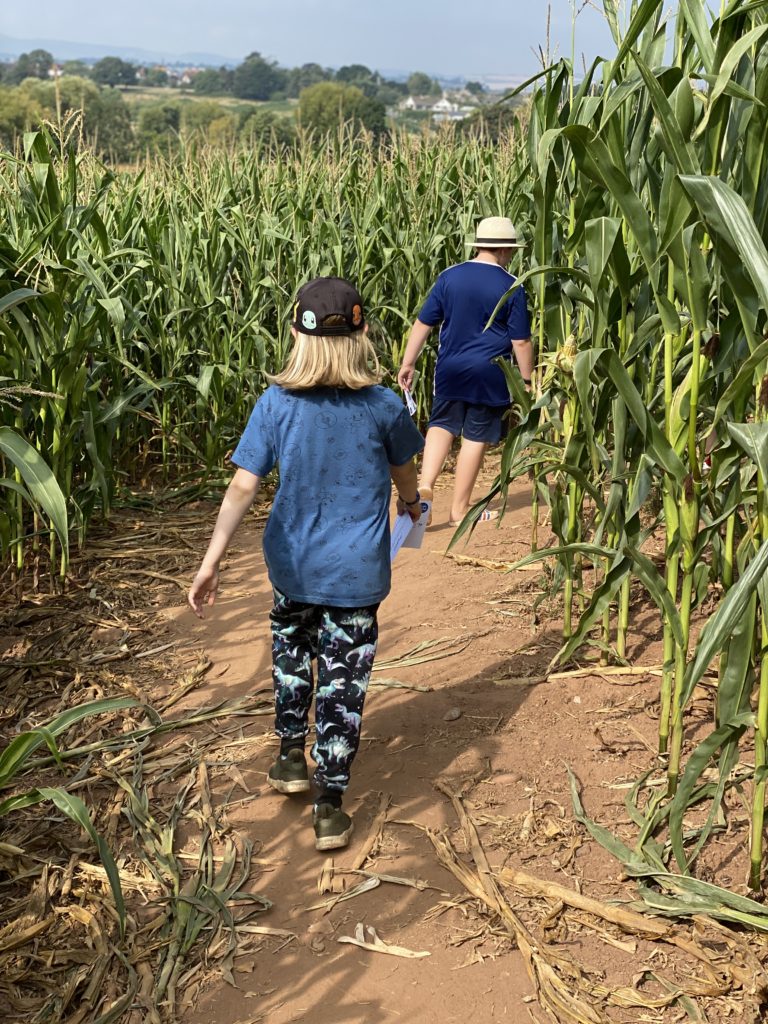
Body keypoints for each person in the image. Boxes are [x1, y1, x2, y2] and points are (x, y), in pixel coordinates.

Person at [188, 277, 424, 851]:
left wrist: (211, 560)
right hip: (357, 574)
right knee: (344, 685)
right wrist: (413, 506)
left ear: (297, 333)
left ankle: (292, 757)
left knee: (292, 657)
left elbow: (243, 485)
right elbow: (405, 475)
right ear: (363, 332)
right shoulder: (385, 406)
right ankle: (329, 808)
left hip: (292, 567)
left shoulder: (276, 405)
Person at [397, 216, 534, 526]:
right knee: (474, 437)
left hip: (450, 369)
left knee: (442, 424)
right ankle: (459, 511)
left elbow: (424, 323)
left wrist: (408, 362)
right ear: (504, 251)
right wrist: (527, 380)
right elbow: (521, 342)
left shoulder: (450, 277)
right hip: (489, 373)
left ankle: (425, 484)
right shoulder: (511, 285)